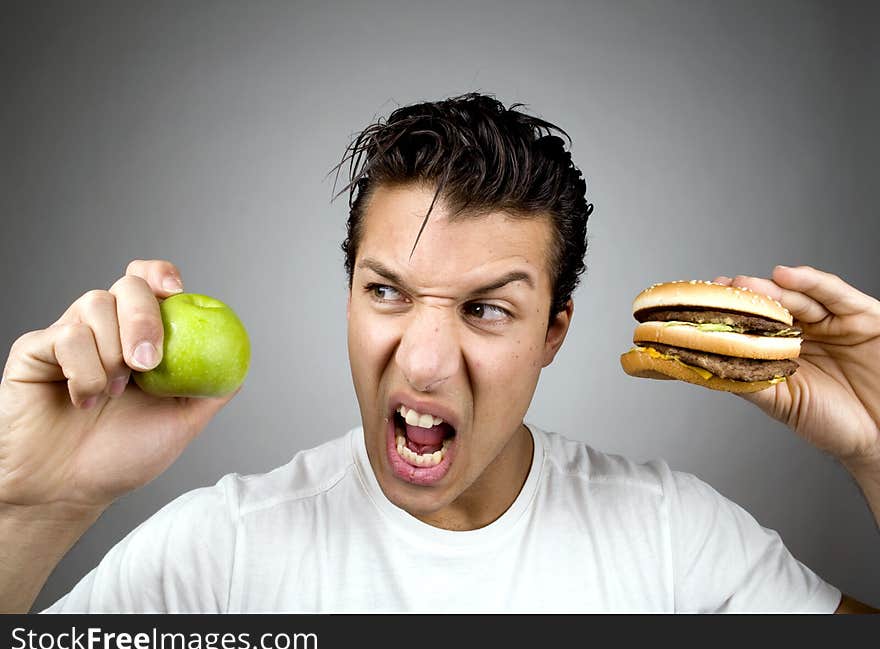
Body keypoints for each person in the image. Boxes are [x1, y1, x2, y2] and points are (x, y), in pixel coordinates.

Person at [1, 93, 877, 613]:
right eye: (386, 291)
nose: (423, 362)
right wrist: (29, 510)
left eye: (488, 309)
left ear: (553, 334)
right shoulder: (219, 556)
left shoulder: (671, 538)